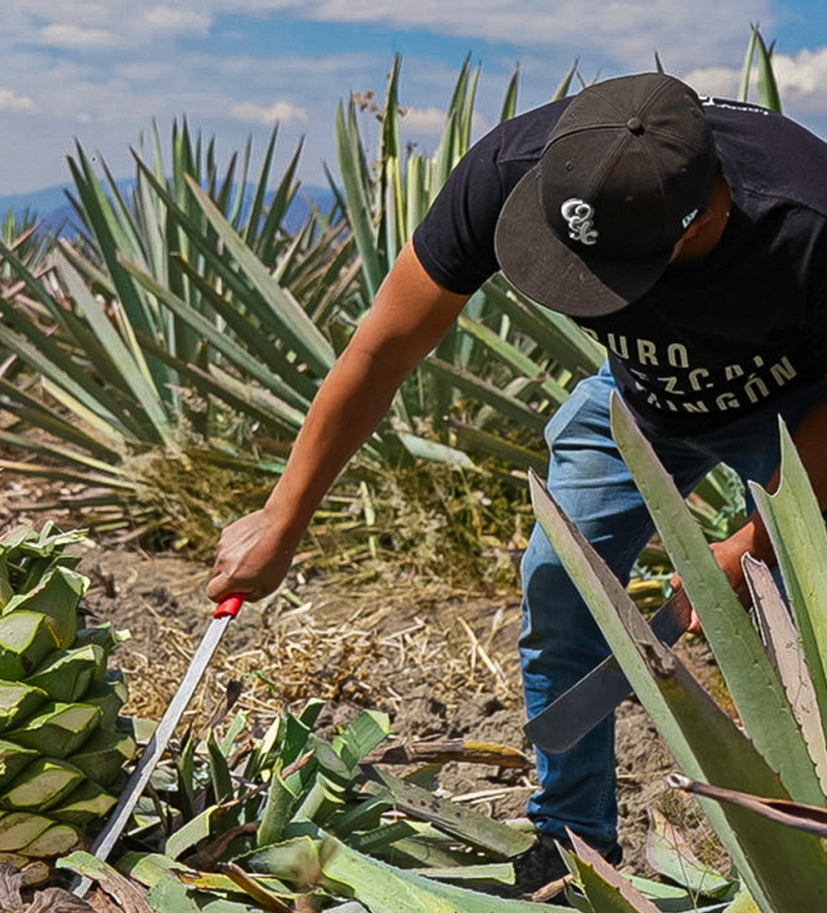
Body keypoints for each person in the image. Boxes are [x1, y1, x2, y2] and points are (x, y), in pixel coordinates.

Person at [206, 72, 827, 890]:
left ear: (702, 218)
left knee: (808, 628)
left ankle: (797, 859)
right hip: (641, 406)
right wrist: (284, 515)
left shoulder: (806, 217)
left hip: (802, 411)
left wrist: (756, 545)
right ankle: (574, 853)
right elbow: (385, 346)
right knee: (558, 580)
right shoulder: (515, 169)